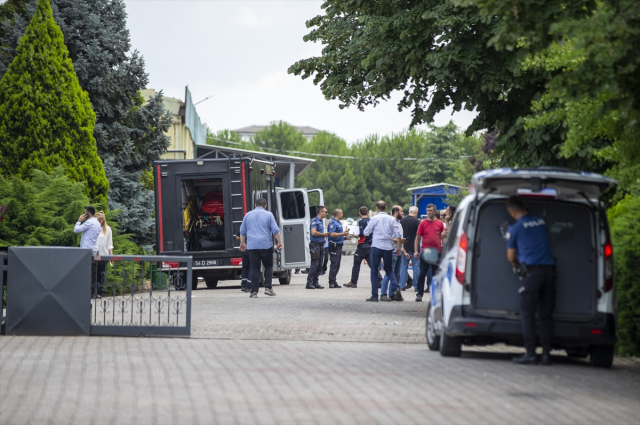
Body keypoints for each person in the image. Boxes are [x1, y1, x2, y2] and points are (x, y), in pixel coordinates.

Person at [505, 196, 556, 366]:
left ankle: (531, 353)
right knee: (546, 314)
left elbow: (511, 257)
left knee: (527, 313)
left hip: (531, 275)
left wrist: (516, 263)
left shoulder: (515, 227)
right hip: (549, 272)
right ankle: (547, 354)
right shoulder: (540, 222)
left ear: (513, 212)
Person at [240, 198, 283, 298]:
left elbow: (242, 231)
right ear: (265, 206)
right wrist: (279, 242)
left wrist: (243, 243)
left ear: (255, 205)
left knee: (255, 268)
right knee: (268, 266)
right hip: (265, 245)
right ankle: (268, 288)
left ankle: (254, 291)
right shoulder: (269, 214)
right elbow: (275, 230)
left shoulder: (248, 215)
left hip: (252, 246)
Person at [363, 201, 402, 302]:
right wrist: (398, 247)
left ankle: (374, 296)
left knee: (374, 271)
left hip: (376, 246)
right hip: (388, 247)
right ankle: (397, 287)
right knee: (389, 270)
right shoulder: (392, 219)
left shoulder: (374, 218)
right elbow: (398, 234)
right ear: (385, 208)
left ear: (376, 208)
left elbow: (366, 232)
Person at [414, 204, 445, 302]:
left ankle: (436, 294)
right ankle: (419, 293)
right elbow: (417, 238)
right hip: (425, 251)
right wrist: (416, 251)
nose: (428, 212)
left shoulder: (440, 223)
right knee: (422, 273)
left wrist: (444, 251)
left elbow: (443, 238)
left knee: (436, 274)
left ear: (435, 211)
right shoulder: (423, 223)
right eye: (427, 210)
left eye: (430, 210)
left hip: (437, 251)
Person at [380, 205, 405, 301]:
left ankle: (392, 293)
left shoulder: (399, 224)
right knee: (388, 273)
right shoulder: (390, 223)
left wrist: (403, 247)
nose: (403, 213)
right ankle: (383, 294)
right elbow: (389, 238)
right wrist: (399, 241)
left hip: (399, 252)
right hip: (392, 252)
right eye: (401, 211)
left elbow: (400, 237)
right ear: (396, 212)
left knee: (396, 274)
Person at [344, 206, 372, 288]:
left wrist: (355, 235)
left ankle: (353, 282)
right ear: (367, 213)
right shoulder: (370, 221)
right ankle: (379, 280)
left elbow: (362, 233)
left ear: (359, 213)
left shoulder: (361, 222)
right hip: (370, 245)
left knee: (356, 262)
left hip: (363, 245)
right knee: (372, 264)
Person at [307, 206, 329, 289]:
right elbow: (313, 232)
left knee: (320, 265)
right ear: (320, 211)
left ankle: (315, 282)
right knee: (314, 264)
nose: (326, 213)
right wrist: (323, 235)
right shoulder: (314, 221)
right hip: (315, 245)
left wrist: (323, 238)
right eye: (325, 212)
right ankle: (309, 282)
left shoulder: (320, 221)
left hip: (320, 245)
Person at [327, 209, 350, 288]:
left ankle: (334, 280)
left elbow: (338, 236)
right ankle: (331, 282)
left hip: (339, 246)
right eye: (342, 213)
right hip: (334, 246)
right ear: (338, 214)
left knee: (337, 265)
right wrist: (343, 233)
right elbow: (332, 235)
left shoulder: (338, 223)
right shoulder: (332, 223)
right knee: (334, 264)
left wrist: (345, 237)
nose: (342, 215)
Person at [399, 206, 420, 291]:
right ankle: (416, 286)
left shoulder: (402, 221)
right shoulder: (417, 222)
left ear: (408, 211)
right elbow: (419, 236)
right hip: (415, 247)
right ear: (416, 212)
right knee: (416, 267)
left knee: (403, 266)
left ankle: (401, 285)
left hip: (404, 247)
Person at [94, 211, 113, 298]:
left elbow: (109, 244)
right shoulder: (94, 228)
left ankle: (99, 292)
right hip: (96, 253)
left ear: (102, 220)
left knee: (101, 274)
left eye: (99, 221)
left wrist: (111, 256)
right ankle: (93, 291)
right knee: (94, 273)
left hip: (104, 254)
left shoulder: (108, 229)